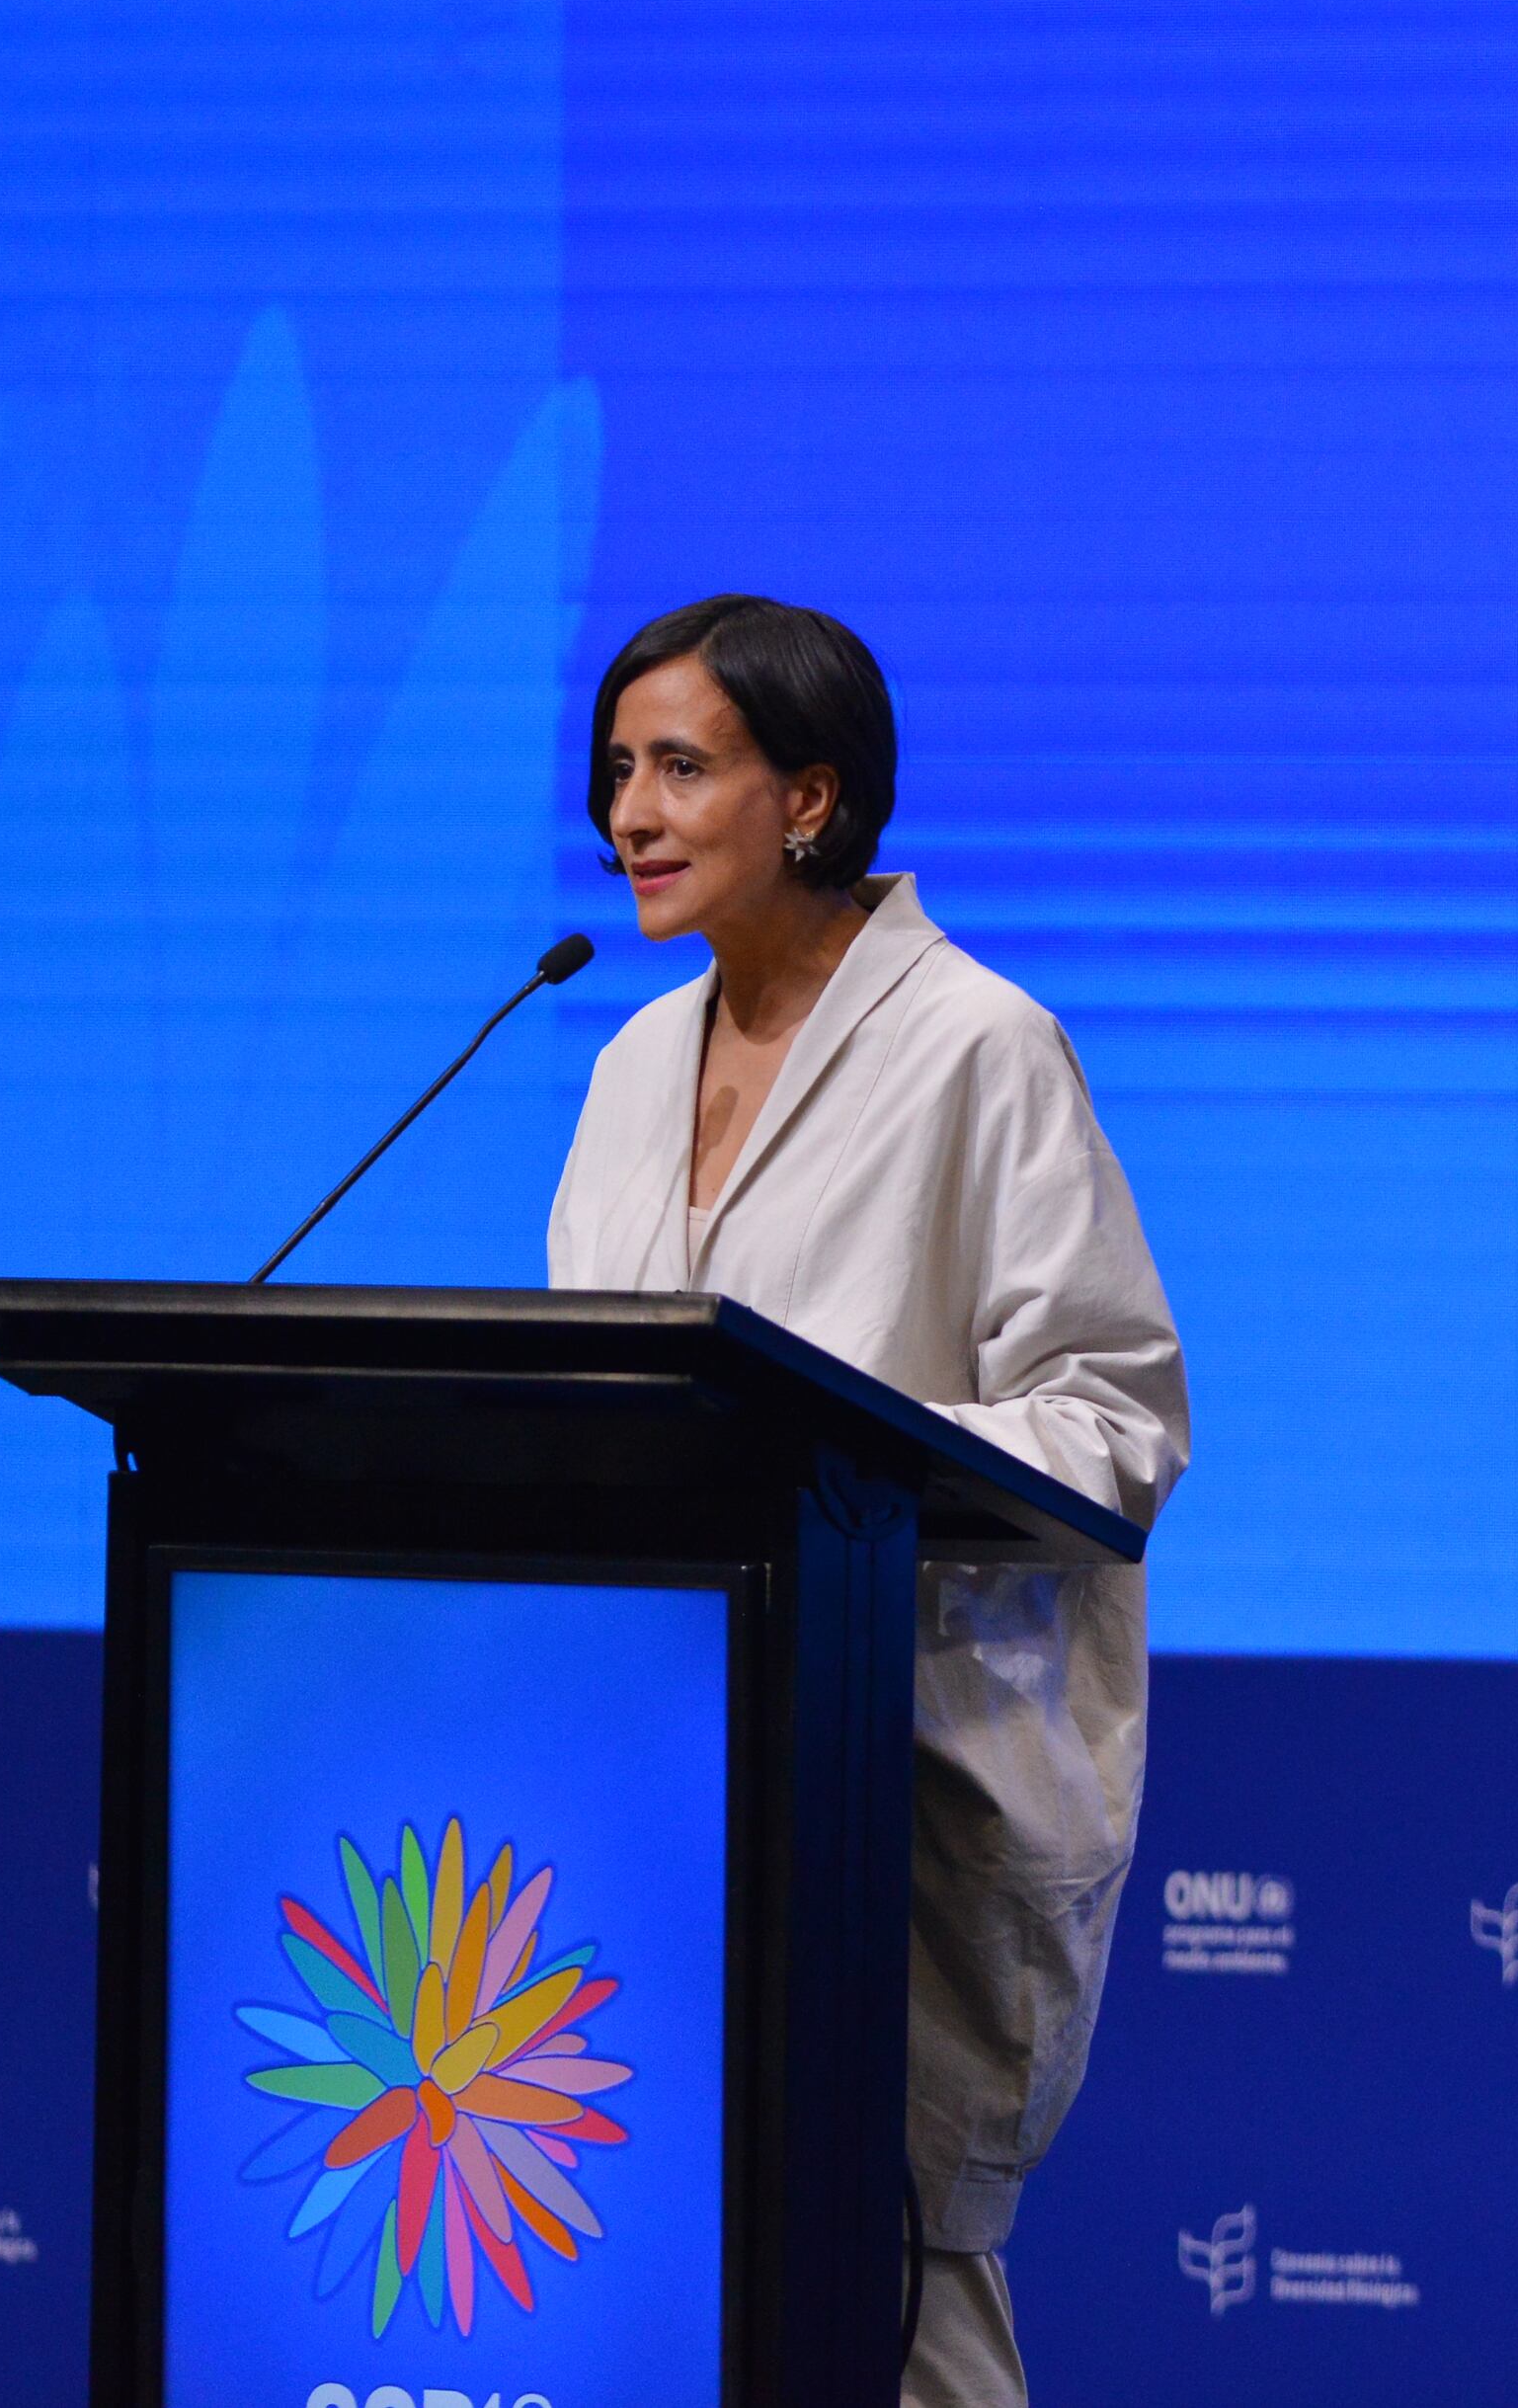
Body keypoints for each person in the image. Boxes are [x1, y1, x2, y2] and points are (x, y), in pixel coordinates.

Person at [545, 595, 1188, 2408]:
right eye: (618, 770)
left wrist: (838, 1444)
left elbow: (1115, 1418)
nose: (633, 813)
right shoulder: (618, 1069)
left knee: (892, 2306)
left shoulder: (981, 1044)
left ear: (813, 797)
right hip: (657, 1769)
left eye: (684, 766)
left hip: (893, 1769)